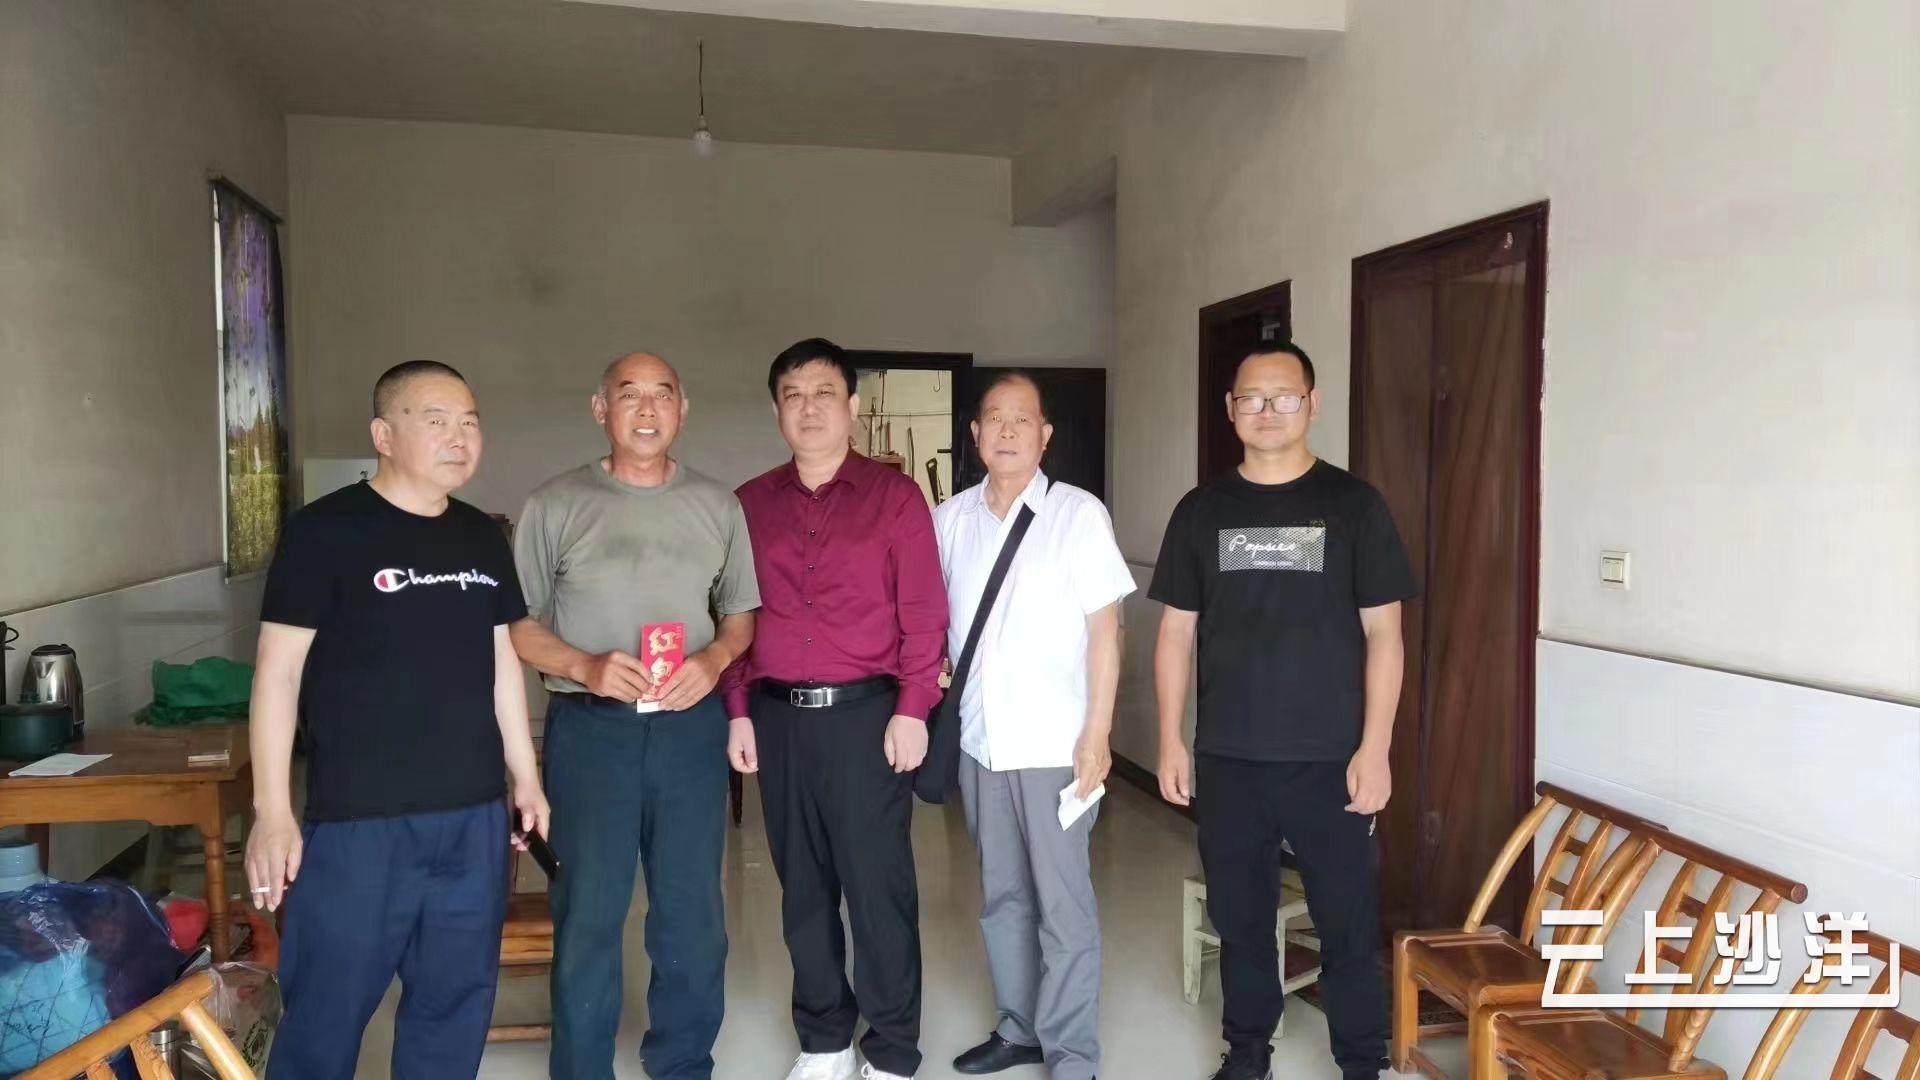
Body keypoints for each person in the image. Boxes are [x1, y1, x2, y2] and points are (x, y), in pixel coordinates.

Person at [246, 360, 550, 1080]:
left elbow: (502, 663)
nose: (459, 437)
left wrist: (526, 777)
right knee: (325, 1009)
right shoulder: (324, 532)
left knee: (454, 1005)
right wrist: (272, 811)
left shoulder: (481, 536)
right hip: (360, 821)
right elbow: (277, 674)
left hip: (472, 817)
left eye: (470, 422)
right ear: (383, 435)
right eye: (436, 420)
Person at [1150, 343, 1415, 1080]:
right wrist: (1169, 738)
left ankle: (1362, 1063)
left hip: (1332, 758)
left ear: (1312, 404)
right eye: (1251, 399)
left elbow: (1385, 635)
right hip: (1230, 756)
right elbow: (1174, 634)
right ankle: (1247, 1054)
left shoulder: (1355, 507)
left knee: (1347, 922)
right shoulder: (1201, 511)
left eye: (1284, 397)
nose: (1267, 411)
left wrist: (1376, 748)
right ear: (1230, 409)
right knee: (1239, 920)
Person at [508, 352, 759, 1080]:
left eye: (662, 395)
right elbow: (517, 625)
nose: (647, 409)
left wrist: (713, 661)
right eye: (629, 394)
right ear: (600, 409)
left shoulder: (718, 506)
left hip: (688, 729)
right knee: (588, 909)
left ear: (683, 408)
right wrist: (585, 666)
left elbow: (740, 615)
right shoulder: (554, 504)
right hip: (592, 731)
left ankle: (681, 1061)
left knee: (692, 911)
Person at [722, 337, 949, 1080]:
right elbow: (732, 616)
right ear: (776, 411)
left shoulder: (895, 498)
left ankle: (891, 1049)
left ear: (852, 405)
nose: (809, 408)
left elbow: (924, 614)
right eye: (793, 395)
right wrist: (738, 709)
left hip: (868, 720)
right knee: (803, 889)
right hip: (777, 718)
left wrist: (913, 707)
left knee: (877, 888)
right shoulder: (748, 505)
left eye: (823, 393)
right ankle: (824, 1040)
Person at [933, 373, 1133, 1080]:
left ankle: (1072, 1055)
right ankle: (1018, 1028)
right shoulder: (949, 519)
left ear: (1045, 435)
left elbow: (1106, 631)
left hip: (1056, 746)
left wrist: (1097, 734)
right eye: (995, 418)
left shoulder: (1077, 514)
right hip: (980, 743)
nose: (1009, 431)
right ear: (975, 435)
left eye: (1024, 420)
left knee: (1063, 905)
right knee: (1003, 898)